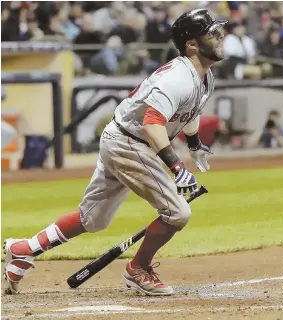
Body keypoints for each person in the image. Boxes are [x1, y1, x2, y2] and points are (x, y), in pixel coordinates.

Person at [4, 9, 226, 296]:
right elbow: (152, 124)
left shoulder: (204, 77)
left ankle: (24, 249)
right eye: (212, 33)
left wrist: (194, 145)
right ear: (192, 44)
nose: (220, 36)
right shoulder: (178, 78)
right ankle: (138, 269)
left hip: (122, 139)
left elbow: (188, 113)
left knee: (92, 219)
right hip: (130, 143)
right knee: (177, 213)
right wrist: (176, 167)